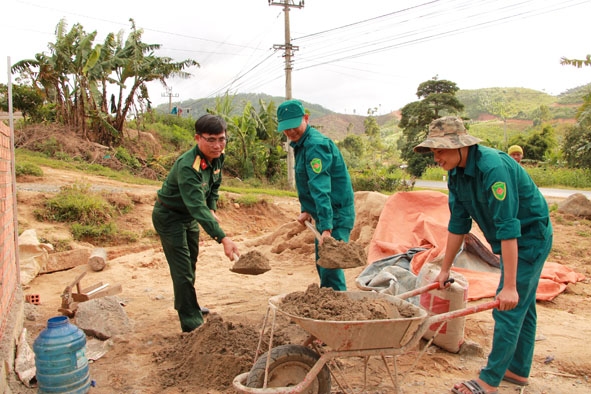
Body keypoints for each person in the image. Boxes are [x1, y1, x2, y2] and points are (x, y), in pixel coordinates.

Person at [413, 116, 553, 394]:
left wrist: (510, 286)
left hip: (529, 238)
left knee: (508, 306)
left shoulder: (492, 168)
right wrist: (445, 269)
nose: (436, 157)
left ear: (459, 145)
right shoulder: (456, 175)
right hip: (510, 241)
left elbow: (508, 228)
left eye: (440, 150)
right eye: (433, 151)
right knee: (523, 307)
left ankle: (489, 380)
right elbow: (457, 226)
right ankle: (517, 371)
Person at [152, 114, 240, 333]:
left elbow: (215, 185)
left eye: (221, 139)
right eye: (211, 139)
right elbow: (196, 207)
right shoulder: (188, 167)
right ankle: (191, 324)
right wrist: (223, 238)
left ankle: (187, 305)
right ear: (197, 138)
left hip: (188, 217)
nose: (217, 145)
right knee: (182, 270)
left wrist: (212, 206)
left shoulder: (218, 156)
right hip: (169, 216)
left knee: (190, 264)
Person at [277, 99, 355, 291]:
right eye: (286, 128)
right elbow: (308, 184)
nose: (291, 132)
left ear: (306, 118)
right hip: (323, 214)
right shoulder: (301, 144)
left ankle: (339, 313)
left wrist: (327, 229)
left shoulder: (315, 146)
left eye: (294, 126)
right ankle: (329, 308)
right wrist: (306, 210)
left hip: (334, 215)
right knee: (323, 264)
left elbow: (321, 189)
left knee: (330, 268)